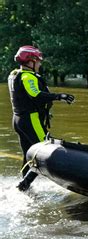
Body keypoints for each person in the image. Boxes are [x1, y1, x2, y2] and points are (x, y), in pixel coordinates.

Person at [8, 45, 75, 191]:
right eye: (37, 61)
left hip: (18, 120)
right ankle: (24, 185)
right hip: (30, 120)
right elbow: (35, 95)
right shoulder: (27, 76)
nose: (39, 64)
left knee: (27, 155)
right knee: (43, 152)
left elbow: (24, 98)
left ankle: (24, 188)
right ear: (30, 61)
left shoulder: (14, 74)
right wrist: (59, 96)